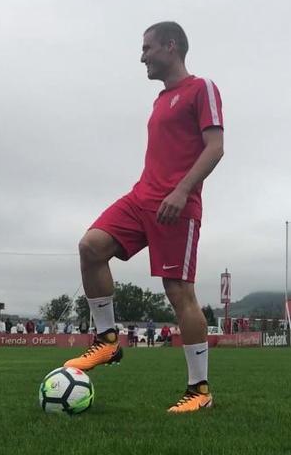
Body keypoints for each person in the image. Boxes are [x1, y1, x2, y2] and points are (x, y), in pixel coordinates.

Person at [63, 21, 223, 413]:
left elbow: (216, 147)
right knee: (91, 247)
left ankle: (199, 390)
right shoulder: (159, 100)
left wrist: (182, 190)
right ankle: (107, 341)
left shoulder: (202, 89)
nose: (142, 56)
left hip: (177, 207)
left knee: (179, 293)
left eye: (147, 48)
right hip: (141, 198)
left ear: (171, 47)